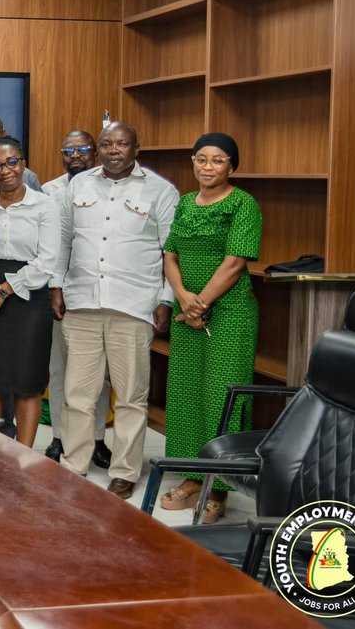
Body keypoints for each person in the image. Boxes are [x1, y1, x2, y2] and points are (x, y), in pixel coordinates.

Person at [54, 122, 178, 499]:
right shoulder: (79, 185)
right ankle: (73, 464)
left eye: (122, 144)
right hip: (82, 303)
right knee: (78, 394)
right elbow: (63, 240)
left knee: (130, 395)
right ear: (100, 149)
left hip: (134, 306)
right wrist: (56, 286)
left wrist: (167, 298)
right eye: (107, 144)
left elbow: (171, 251)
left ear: (136, 149)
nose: (113, 150)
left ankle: (124, 471)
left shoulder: (161, 190)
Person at [158, 133, 261, 524]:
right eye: (201, 159)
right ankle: (192, 476)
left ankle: (219, 486)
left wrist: (199, 303)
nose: (207, 166)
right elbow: (170, 255)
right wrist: (184, 298)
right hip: (188, 315)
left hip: (229, 315)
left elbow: (235, 263)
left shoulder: (243, 204)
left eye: (218, 160)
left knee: (221, 398)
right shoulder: (186, 202)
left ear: (231, 166)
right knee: (186, 396)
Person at [0, 138, 60, 446]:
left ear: (22, 164)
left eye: (11, 162)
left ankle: (24, 458)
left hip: (30, 300)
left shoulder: (44, 205)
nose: (5, 170)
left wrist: (5, 289)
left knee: (28, 382)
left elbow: (47, 261)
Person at [41, 130, 111, 468]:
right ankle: (59, 435)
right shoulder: (49, 191)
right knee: (59, 369)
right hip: (58, 292)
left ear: (95, 152)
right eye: (68, 150)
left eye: (83, 149)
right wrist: (54, 287)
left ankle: (96, 439)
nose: (75, 156)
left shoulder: (109, 188)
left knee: (100, 373)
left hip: (97, 293)